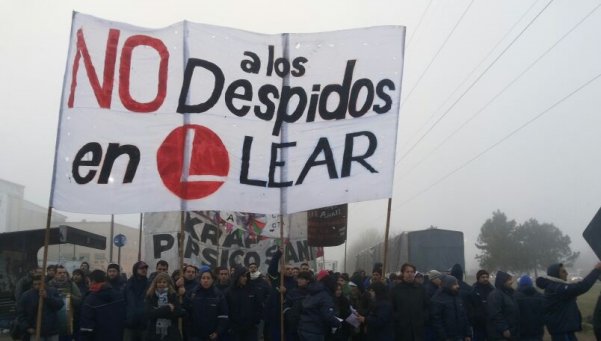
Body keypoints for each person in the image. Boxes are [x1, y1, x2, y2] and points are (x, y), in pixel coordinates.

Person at [535, 262, 601, 341]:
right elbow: (581, 287)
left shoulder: (554, 287)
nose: (567, 273)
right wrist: (596, 270)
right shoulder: (556, 289)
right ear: (555, 274)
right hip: (562, 332)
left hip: (563, 331)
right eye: (563, 271)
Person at [79, 270, 126, 341]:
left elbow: (87, 326)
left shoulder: (90, 300)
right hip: (116, 336)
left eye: (88, 282)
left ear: (93, 281)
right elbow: (123, 318)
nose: (88, 284)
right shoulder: (119, 296)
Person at [184, 267, 229, 341]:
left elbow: (223, 315)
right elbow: (186, 313)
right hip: (195, 336)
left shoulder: (218, 295)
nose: (206, 280)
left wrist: (217, 332)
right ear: (200, 279)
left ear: (212, 280)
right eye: (203, 278)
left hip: (212, 336)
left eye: (208, 278)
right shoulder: (192, 294)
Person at [16, 274, 64, 341]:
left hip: (52, 331)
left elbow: (60, 304)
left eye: (39, 284)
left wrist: (47, 297)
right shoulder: (26, 296)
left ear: (44, 283)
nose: (37, 286)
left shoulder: (52, 291)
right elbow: (21, 313)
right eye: (35, 284)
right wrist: (27, 327)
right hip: (35, 331)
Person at [297, 270, 341, 341]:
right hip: (315, 331)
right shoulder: (325, 296)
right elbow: (328, 316)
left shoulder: (311, 292)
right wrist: (338, 323)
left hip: (303, 328)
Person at [390, 263, 428, 341]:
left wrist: (423, 319)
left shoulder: (421, 289)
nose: (410, 274)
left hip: (418, 328)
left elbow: (426, 306)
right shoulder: (396, 290)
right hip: (402, 329)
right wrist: (398, 319)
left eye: (412, 272)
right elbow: (391, 308)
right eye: (407, 272)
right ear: (403, 273)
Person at [225, 265, 262, 341]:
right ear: (237, 276)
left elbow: (258, 306)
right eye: (243, 276)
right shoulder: (228, 292)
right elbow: (226, 310)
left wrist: (255, 321)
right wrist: (231, 325)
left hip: (250, 329)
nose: (245, 278)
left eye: (246, 276)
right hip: (235, 330)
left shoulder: (252, 290)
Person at [145, 272, 184, 341]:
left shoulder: (172, 295)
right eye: (159, 282)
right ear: (155, 283)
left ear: (168, 284)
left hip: (171, 333)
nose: (161, 284)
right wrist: (168, 308)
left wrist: (158, 311)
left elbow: (178, 312)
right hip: (154, 333)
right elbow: (150, 314)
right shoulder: (151, 295)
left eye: (164, 282)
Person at [430, 275, 471, 341]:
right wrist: (444, 338)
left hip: (460, 336)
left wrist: (467, 334)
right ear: (447, 285)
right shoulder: (437, 299)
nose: (458, 286)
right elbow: (437, 322)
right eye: (454, 284)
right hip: (447, 337)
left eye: (457, 283)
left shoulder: (457, 297)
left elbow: (464, 316)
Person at [48, 265, 82, 341]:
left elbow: (79, 300)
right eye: (59, 273)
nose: (62, 274)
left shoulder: (71, 284)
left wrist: (70, 296)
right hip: (53, 321)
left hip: (68, 320)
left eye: (64, 273)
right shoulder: (49, 285)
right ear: (55, 274)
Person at [487, 271, 519, 341]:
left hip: (512, 332)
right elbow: (496, 314)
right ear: (502, 281)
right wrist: (504, 328)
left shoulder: (510, 293)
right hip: (500, 334)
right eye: (509, 280)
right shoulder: (495, 295)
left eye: (511, 279)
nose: (511, 282)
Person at [124, 261, 150, 341]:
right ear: (135, 269)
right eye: (141, 268)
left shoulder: (150, 284)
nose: (144, 270)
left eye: (145, 268)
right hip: (130, 324)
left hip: (144, 324)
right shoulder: (128, 285)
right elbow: (124, 301)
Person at [284, 271, 312, 341]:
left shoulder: (313, 293)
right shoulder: (293, 292)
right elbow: (286, 305)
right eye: (298, 278)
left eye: (302, 279)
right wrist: (289, 314)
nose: (299, 280)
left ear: (308, 280)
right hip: (294, 326)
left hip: (309, 326)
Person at [514, 275, 544, 341]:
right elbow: (544, 312)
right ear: (531, 284)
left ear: (520, 284)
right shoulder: (540, 296)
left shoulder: (514, 296)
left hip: (521, 332)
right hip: (537, 331)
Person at [468, 270, 494, 341]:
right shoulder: (473, 290)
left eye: (487, 277)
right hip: (478, 324)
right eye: (483, 277)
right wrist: (474, 318)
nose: (485, 279)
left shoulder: (492, 289)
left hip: (490, 323)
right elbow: (470, 306)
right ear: (478, 278)